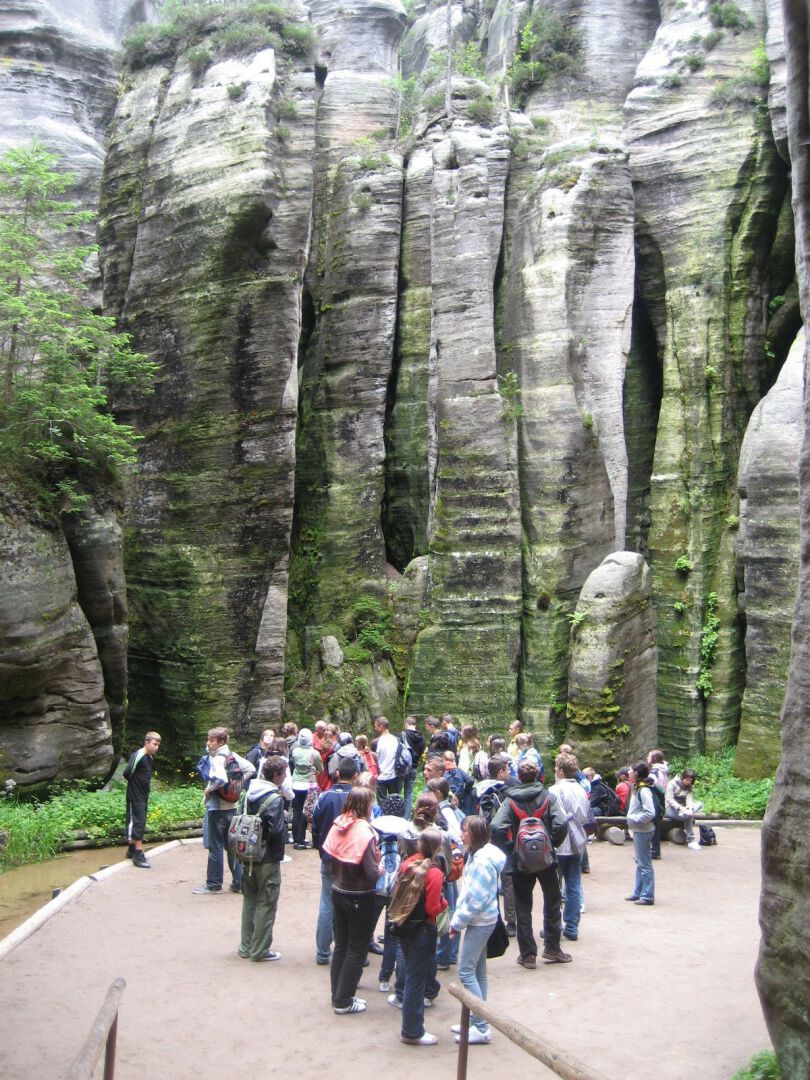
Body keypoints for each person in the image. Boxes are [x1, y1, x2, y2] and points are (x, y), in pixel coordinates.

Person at [491, 759, 571, 967]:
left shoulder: (510, 801)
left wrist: (510, 848)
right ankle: (552, 948)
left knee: (523, 905)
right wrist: (552, 844)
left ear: (519, 776)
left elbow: (496, 826)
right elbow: (562, 823)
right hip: (546, 860)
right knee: (552, 902)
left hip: (521, 861)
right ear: (537, 775)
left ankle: (527, 955)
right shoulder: (548, 797)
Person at [322, 786, 380, 1015]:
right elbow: (371, 873)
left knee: (341, 946)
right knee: (356, 949)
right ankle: (344, 1001)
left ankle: (337, 994)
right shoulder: (364, 832)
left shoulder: (339, 824)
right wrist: (381, 869)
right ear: (366, 805)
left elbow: (329, 855)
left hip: (338, 890)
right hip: (359, 896)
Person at [449, 815, 506, 1045]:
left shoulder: (482, 862)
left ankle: (481, 1027)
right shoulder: (476, 855)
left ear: (475, 834)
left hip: (480, 922)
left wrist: (457, 922)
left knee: (465, 971)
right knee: (478, 972)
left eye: (465, 831)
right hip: (482, 920)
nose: (461, 834)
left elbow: (476, 899)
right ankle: (475, 1020)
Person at [387, 828, 448, 1046]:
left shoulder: (408, 864)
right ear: (438, 848)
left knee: (412, 976)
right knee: (416, 980)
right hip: (423, 929)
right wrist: (444, 903)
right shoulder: (435, 873)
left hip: (405, 926)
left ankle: (411, 1027)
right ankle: (412, 1031)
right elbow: (432, 908)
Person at [193, 727, 255, 895]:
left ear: (220, 742)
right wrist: (238, 785)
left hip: (217, 809)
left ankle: (213, 884)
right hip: (232, 808)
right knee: (232, 847)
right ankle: (239, 883)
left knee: (215, 848)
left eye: (211, 740)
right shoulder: (232, 756)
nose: (208, 743)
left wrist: (210, 788)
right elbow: (250, 768)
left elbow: (220, 779)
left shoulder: (218, 759)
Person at [238, 754, 288, 961]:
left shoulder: (248, 794)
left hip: (248, 855)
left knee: (250, 900)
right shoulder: (274, 799)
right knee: (266, 903)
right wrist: (285, 820)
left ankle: (246, 946)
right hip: (267, 858)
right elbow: (276, 831)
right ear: (275, 775)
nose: (285, 777)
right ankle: (260, 950)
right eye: (283, 774)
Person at [312, 755, 360, 965]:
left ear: (337, 774)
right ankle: (348, 950)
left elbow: (314, 826)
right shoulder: (360, 799)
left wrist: (321, 848)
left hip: (329, 857)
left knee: (327, 903)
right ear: (356, 775)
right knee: (352, 905)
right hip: (352, 861)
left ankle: (323, 952)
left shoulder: (324, 797)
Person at [550, 753, 590, 941]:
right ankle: (572, 927)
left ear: (560, 770)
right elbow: (584, 815)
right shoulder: (581, 790)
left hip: (559, 843)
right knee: (573, 884)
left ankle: (554, 927)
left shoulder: (554, 791)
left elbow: (554, 817)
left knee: (553, 887)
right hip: (577, 841)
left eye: (556, 767)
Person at [475, 753, 516, 936]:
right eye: (507, 769)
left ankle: (491, 919)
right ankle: (511, 922)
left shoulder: (480, 790)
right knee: (508, 882)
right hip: (505, 841)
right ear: (500, 772)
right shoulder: (508, 790)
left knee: (489, 882)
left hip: (486, 842)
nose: (509, 772)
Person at [123, 731, 161, 868]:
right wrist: (135, 786)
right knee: (137, 821)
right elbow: (127, 773)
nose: (156, 747)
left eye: (158, 745)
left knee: (141, 820)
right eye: (154, 744)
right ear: (146, 742)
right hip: (135, 794)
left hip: (143, 794)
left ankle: (131, 849)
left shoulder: (149, 757)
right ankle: (138, 854)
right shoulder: (139, 755)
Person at [626, 760, 656, 905]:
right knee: (640, 862)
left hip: (643, 830)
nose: (628, 772)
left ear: (636, 773)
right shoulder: (637, 787)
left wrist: (633, 818)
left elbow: (650, 812)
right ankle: (638, 892)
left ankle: (648, 895)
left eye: (630, 770)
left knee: (644, 864)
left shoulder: (644, 790)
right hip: (639, 830)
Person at [290, 728, 323, 849]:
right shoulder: (315, 753)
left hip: (296, 784)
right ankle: (301, 840)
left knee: (296, 811)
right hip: (309, 786)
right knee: (306, 811)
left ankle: (295, 839)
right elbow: (321, 769)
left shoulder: (294, 751)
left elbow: (293, 764)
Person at [665, 768, 703, 849]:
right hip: (670, 809)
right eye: (687, 779)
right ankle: (691, 840)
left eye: (690, 780)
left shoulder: (689, 787)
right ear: (683, 777)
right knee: (688, 816)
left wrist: (690, 808)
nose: (688, 782)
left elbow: (689, 799)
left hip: (684, 808)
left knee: (699, 804)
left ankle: (687, 813)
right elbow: (670, 800)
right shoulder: (672, 784)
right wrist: (681, 808)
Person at [401, 716, 425, 819]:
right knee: (408, 793)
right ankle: (406, 818)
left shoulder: (403, 735)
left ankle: (396, 815)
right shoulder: (421, 737)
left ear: (406, 723)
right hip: (414, 767)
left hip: (402, 768)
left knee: (396, 792)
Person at [374, 716, 404, 800]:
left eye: (376, 726)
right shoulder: (396, 740)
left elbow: (375, 759)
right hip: (394, 776)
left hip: (381, 777)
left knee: (382, 803)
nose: (375, 728)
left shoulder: (376, 742)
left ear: (381, 726)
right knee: (395, 802)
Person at [647, 749, 669, 859]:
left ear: (654, 758)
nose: (647, 758)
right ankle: (655, 850)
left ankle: (655, 851)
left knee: (653, 826)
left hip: (655, 801)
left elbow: (653, 787)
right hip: (661, 801)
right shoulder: (664, 770)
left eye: (649, 756)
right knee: (656, 826)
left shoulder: (654, 772)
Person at [442, 750, 475, 814]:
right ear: (454, 760)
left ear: (443, 759)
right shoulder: (459, 771)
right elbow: (471, 780)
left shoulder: (441, 772)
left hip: (446, 803)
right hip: (459, 800)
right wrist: (465, 791)